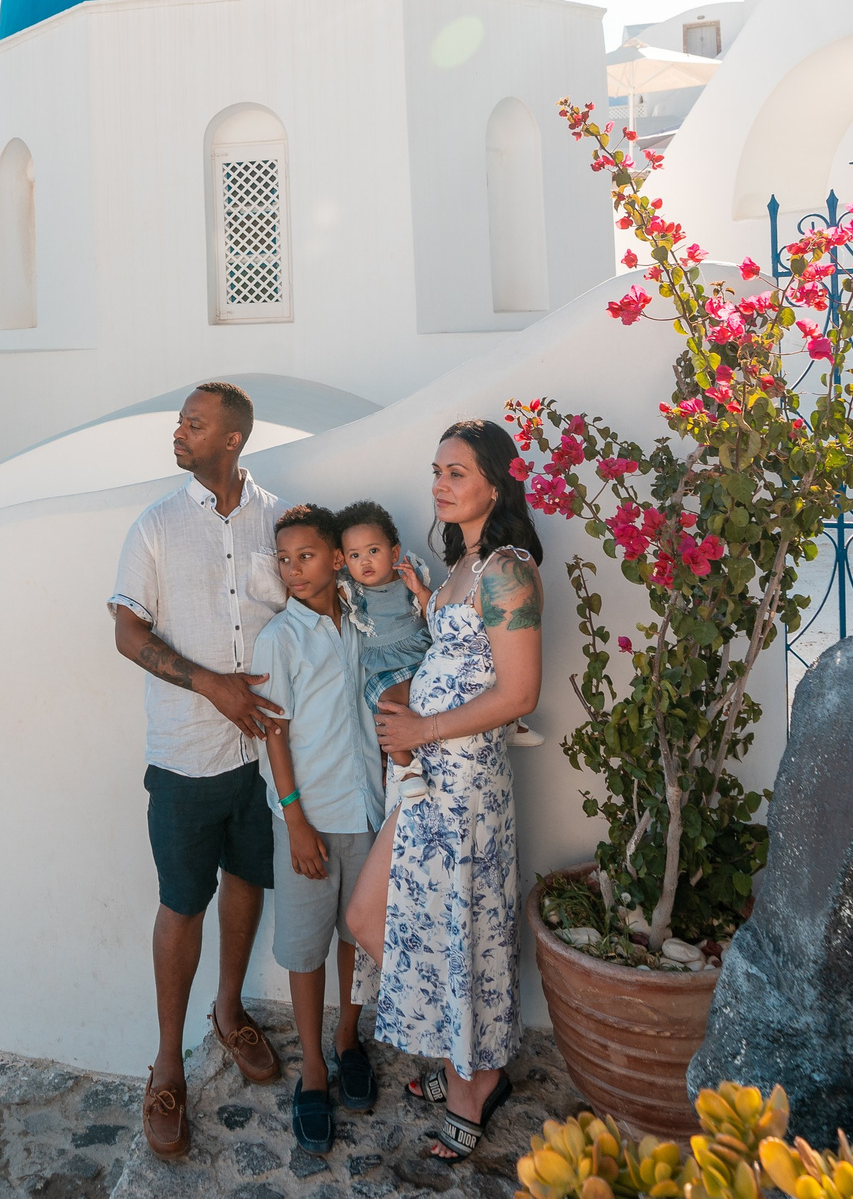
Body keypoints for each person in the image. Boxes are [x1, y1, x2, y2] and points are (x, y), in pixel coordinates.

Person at [346, 418, 544, 1166]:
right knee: (374, 917)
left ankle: (474, 1082)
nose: (440, 483)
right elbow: (466, 647)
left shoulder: (508, 569)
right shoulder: (464, 564)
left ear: (497, 481)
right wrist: (428, 604)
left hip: (464, 784)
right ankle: (462, 1054)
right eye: (436, 470)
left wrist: (421, 729)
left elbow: (518, 691)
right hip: (430, 782)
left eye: (457, 471)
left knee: (460, 933)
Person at [108, 381, 287, 1159]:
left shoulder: (280, 520)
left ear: (233, 438)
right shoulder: (155, 525)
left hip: (266, 752)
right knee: (183, 901)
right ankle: (166, 1063)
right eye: (181, 421)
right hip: (185, 755)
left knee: (248, 880)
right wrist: (208, 681)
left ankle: (230, 1011)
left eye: (194, 422)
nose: (178, 432)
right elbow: (124, 628)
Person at [249, 504, 388, 1150]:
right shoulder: (281, 639)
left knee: (357, 934)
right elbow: (273, 733)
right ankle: (312, 1066)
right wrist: (296, 819)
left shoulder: (363, 619)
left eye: (306, 555)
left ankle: (346, 1037)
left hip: (366, 811)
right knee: (306, 947)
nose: (293, 569)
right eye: (285, 558)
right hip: (307, 819)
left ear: (337, 558)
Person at [335, 501, 433, 797]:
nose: (364, 561)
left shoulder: (409, 576)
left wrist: (420, 590)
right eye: (355, 555)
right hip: (387, 666)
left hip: (423, 653)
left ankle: (509, 723)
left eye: (373, 551)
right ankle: (406, 768)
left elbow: (435, 615)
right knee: (387, 706)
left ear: (393, 552)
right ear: (343, 560)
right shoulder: (352, 589)